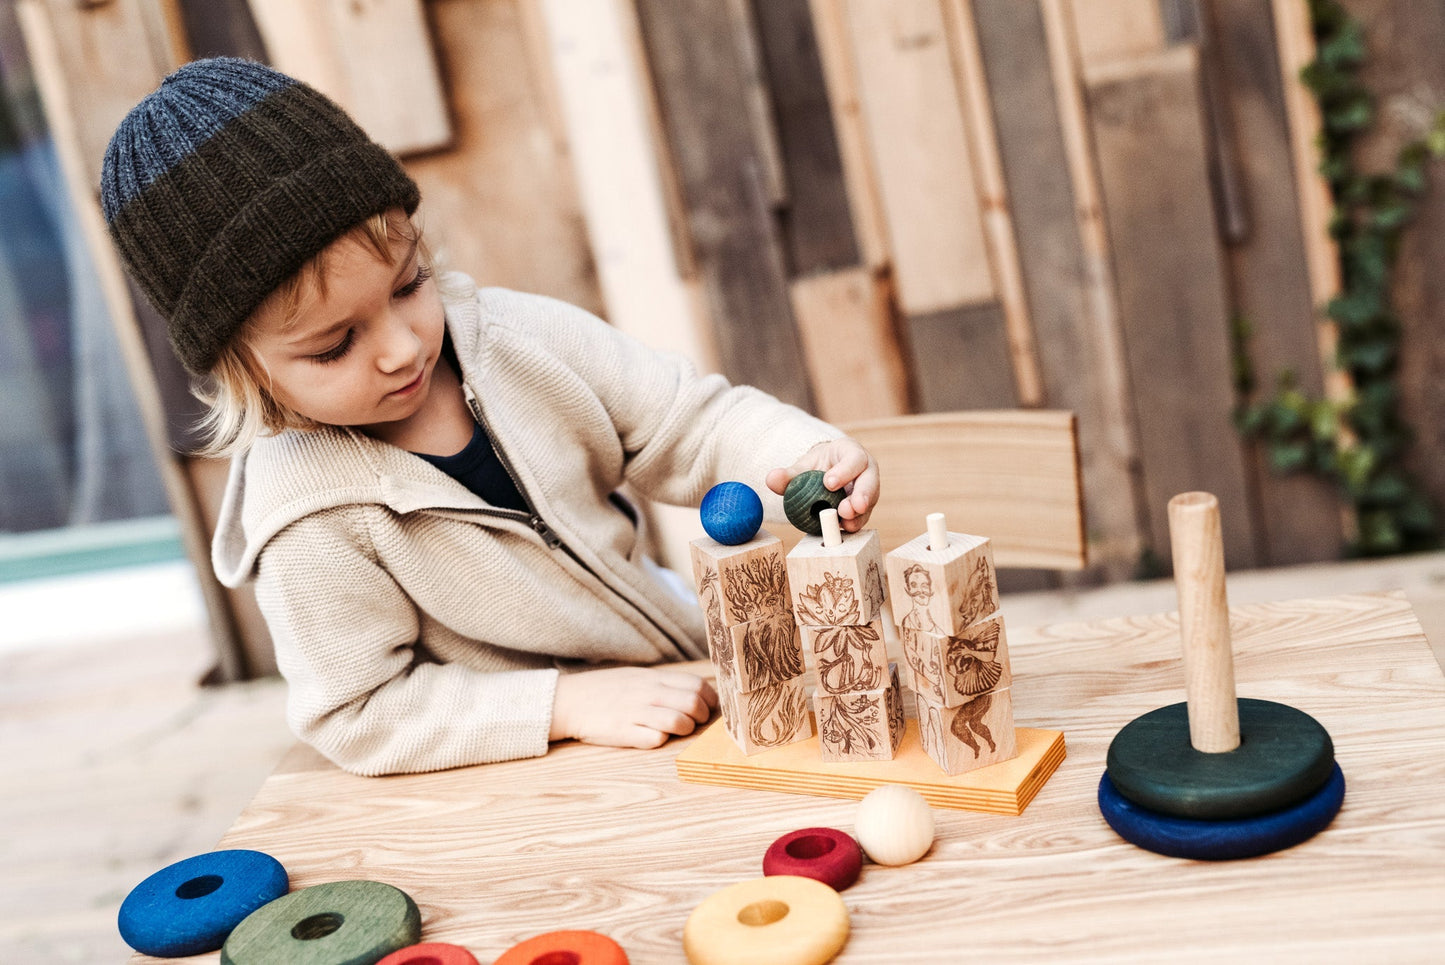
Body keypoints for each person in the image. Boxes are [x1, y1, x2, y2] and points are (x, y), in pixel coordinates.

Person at [100, 58, 879, 776]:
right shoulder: (306, 516)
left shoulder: (519, 339)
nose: (402, 348)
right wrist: (561, 707)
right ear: (244, 370)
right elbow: (359, 712)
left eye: (409, 286)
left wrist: (799, 451)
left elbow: (692, 425)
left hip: (692, 669)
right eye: (336, 344)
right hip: (533, 769)